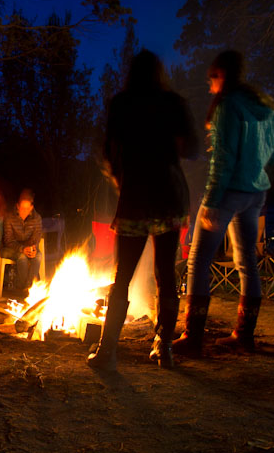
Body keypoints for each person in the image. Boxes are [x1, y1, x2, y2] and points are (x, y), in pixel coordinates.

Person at [87, 49, 199, 370]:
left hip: (136, 196)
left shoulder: (122, 104)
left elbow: (109, 150)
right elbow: (191, 148)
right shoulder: (174, 103)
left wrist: (120, 177)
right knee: (165, 273)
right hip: (169, 197)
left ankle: (108, 351)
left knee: (122, 275)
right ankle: (164, 347)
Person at [173, 50, 274, 357]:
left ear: (222, 76)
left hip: (229, 192)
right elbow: (273, 154)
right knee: (247, 263)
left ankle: (193, 338)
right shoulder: (263, 108)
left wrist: (212, 201)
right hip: (256, 192)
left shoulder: (228, 107)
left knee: (198, 260)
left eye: (212, 79)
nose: (210, 87)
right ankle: (244, 337)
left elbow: (222, 160)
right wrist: (253, 168)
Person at [2, 189, 43, 291]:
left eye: (27, 209)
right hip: (11, 248)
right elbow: (8, 240)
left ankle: (28, 287)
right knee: (22, 258)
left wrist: (32, 248)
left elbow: (36, 237)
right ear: (17, 206)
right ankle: (25, 286)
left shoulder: (36, 218)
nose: (24, 211)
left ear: (31, 208)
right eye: (22, 208)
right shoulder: (9, 218)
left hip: (28, 246)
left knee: (38, 256)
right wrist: (22, 249)